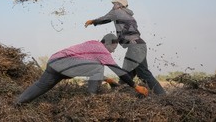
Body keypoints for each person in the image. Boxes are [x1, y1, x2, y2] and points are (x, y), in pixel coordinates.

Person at [16, 33, 148, 104]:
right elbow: (118, 71)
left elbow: (84, 66)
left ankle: (18, 102)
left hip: (54, 62)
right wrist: (135, 86)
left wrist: (106, 79)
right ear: (107, 43)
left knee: (41, 86)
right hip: (64, 63)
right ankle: (91, 99)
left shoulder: (92, 44)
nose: (112, 52)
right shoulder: (102, 51)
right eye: (113, 48)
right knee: (98, 67)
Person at [85, 0, 166, 95]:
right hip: (138, 45)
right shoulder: (128, 15)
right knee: (126, 74)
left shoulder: (117, 12)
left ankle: (162, 96)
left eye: (114, 4)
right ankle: (118, 95)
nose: (112, 6)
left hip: (135, 46)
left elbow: (106, 18)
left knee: (143, 73)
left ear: (119, 5)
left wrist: (93, 21)